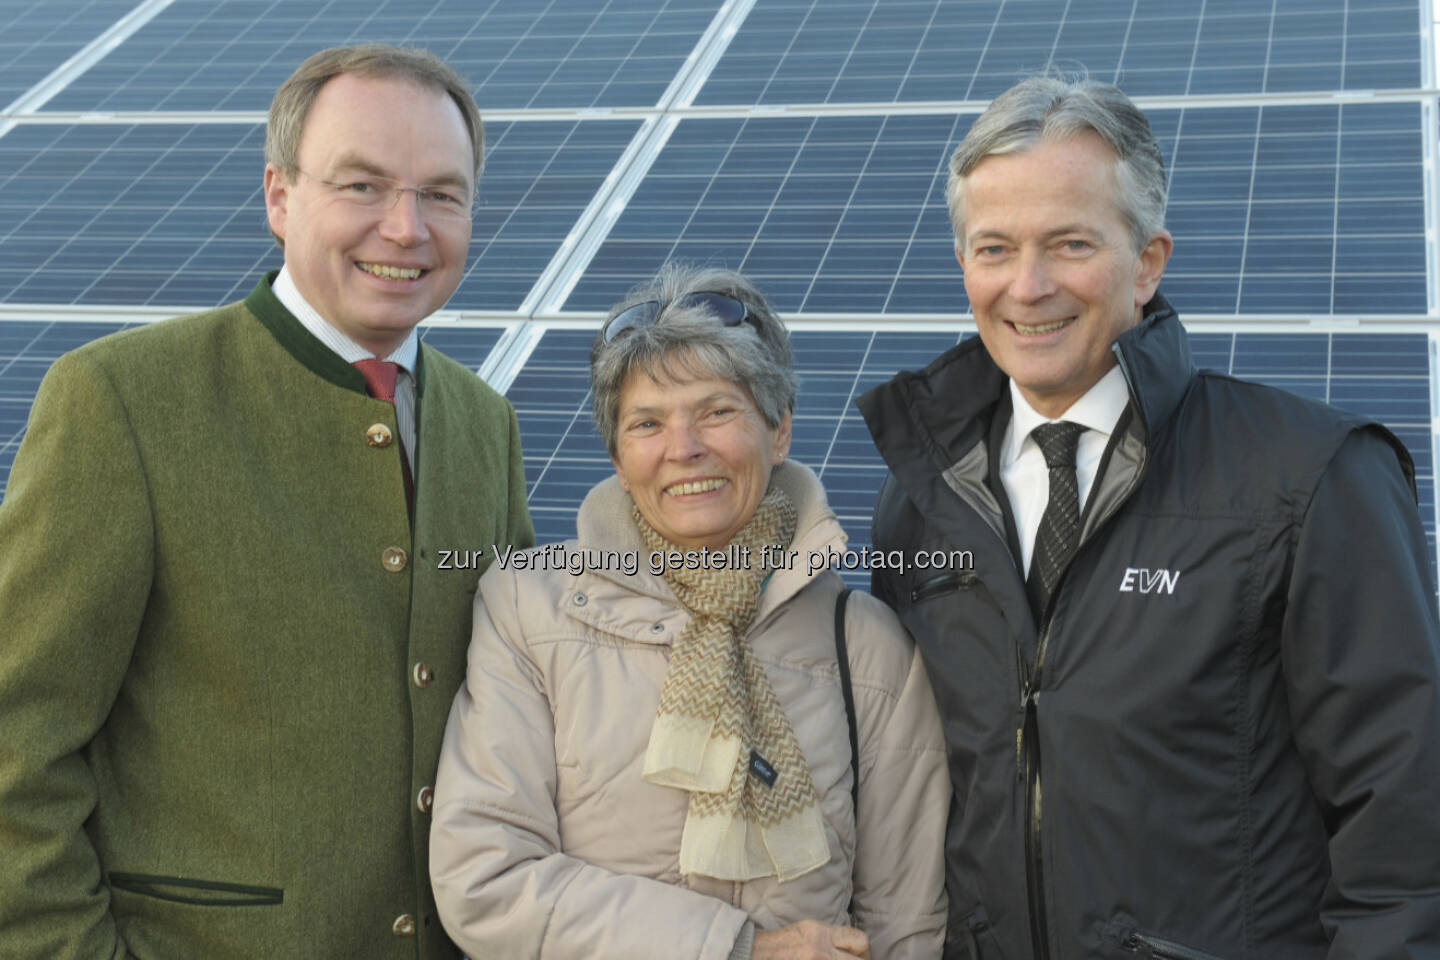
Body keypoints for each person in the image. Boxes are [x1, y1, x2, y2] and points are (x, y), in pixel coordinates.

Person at [856, 76, 1440, 959]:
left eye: (1070, 243)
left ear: (1149, 261)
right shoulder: (921, 502)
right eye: (994, 249)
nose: (1029, 285)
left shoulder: (1310, 479)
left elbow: (1403, 815)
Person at [0, 44, 533, 959]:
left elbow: (523, 710)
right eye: (362, 186)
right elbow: (17, 740)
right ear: (279, 198)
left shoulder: (487, 424)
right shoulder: (121, 400)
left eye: (443, 194)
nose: (406, 228)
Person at [429, 265, 948, 960]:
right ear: (617, 456)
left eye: (717, 411)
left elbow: (904, 925)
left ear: (780, 429)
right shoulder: (529, 608)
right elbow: (486, 877)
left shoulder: (866, 647)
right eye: (647, 423)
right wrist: (739, 950)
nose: (684, 448)